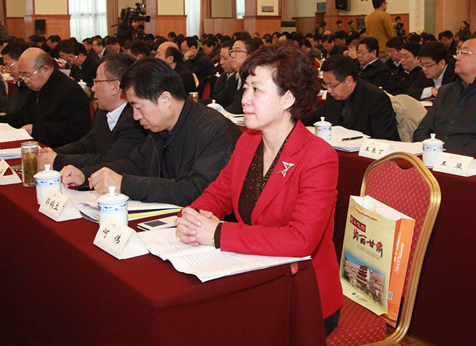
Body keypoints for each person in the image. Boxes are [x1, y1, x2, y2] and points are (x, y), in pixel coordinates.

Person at [175, 46, 343, 334]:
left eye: (257, 90)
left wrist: (217, 233)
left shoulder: (318, 157)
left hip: (301, 293)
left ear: (287, 98)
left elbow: (301, 240)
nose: (245, 99)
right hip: (253, 274)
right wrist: (192, 217)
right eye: (245, 88)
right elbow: (219, 194)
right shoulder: (248, 141)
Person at [61, 58, 242, 205]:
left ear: (165, 99)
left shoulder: (215, 131)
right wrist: (87, 175)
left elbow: (198, 190)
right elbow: (136, 164)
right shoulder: (158, 127)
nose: (135, 116)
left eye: (138, 107)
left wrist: (125, 184)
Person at [39, 54, 146, 173]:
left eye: (96, 81)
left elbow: (110, 161)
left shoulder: (135, 119)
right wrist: (55, 153)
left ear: (115, 87)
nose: (93, 88)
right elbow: (86, 144)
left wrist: (58, 160)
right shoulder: (102, 113)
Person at [0, 48, 91, 148]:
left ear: (45, 69)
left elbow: (78, 131)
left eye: (27, 76)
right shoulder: (35, 87)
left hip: (60, 150)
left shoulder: (70, 91)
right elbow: (21, 118)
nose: (25, 81)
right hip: (37, 146)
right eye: (22, 76)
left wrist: (36, 130)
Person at [304, 55, 398, 140]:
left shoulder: (376, 98)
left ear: (348, 81)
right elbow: (316, 116)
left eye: (332, 85)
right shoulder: (334, 95)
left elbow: (386, 138)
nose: (329, 90)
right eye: (326, 85)